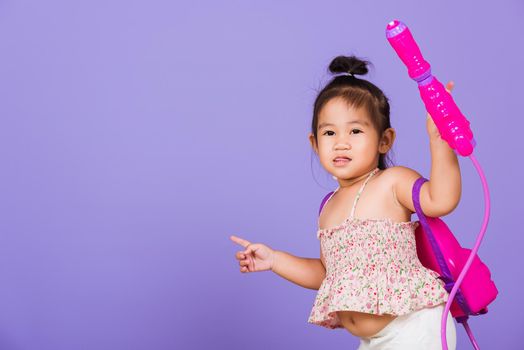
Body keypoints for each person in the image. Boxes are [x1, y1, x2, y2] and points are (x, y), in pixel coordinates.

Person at [230, 55, 459, 349]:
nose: (341, 142)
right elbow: (329, 273)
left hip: (414, 327)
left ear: (384, 140)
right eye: (329, 132)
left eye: (355, 131)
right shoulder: (329, 206)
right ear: (315, 143)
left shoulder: (392, 183)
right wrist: (275, 260)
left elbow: (441, 201)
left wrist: (440, 143)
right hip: (373, 340)